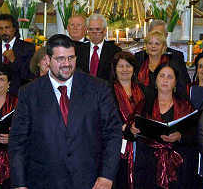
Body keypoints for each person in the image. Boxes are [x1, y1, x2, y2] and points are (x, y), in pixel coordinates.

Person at [9, 34, 122, 189]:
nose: (67, 64)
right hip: (43, 181)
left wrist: (107, 175)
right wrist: (19, 184)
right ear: (47, 60)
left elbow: (113, 133)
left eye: (71, 58)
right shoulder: (29, 93)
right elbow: (18, 142)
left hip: (91, 181)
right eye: (60, 59)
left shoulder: (98, 88)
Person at [132, 64, 197, 189]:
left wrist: (180, 137)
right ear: (155, 80)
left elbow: (195, 135)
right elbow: (131, 129)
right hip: (148, 164)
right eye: (161, 76)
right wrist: (133, 130)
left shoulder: (186, 106)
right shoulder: (144, 104)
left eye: (170, 77)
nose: (165, 80)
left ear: (175, 83)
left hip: (178, 165)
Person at [111, 51, 145, 189]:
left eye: (128, 66)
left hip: (141, 144)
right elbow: (105, 118)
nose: (125, 70)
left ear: (134, 68)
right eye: (121, 66)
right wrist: (124, 128)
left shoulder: (143, 90)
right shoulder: (107, 90)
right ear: (115, 69)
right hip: (118, 144)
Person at [0, 14, 35, 95]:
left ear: (14, 29)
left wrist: (14, 60)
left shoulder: (27, 48)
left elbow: (29, 74)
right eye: (0, 29)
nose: (4, 31)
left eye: (7, 28)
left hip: (19, 94)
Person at [76, 14, 122, 82]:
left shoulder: (115, 51)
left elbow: (116, 76)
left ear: (105, 31)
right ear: (87, 31)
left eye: (98, 29)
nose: (94, 33)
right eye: (91, 29)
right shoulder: (79, 50)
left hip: (106, 90)